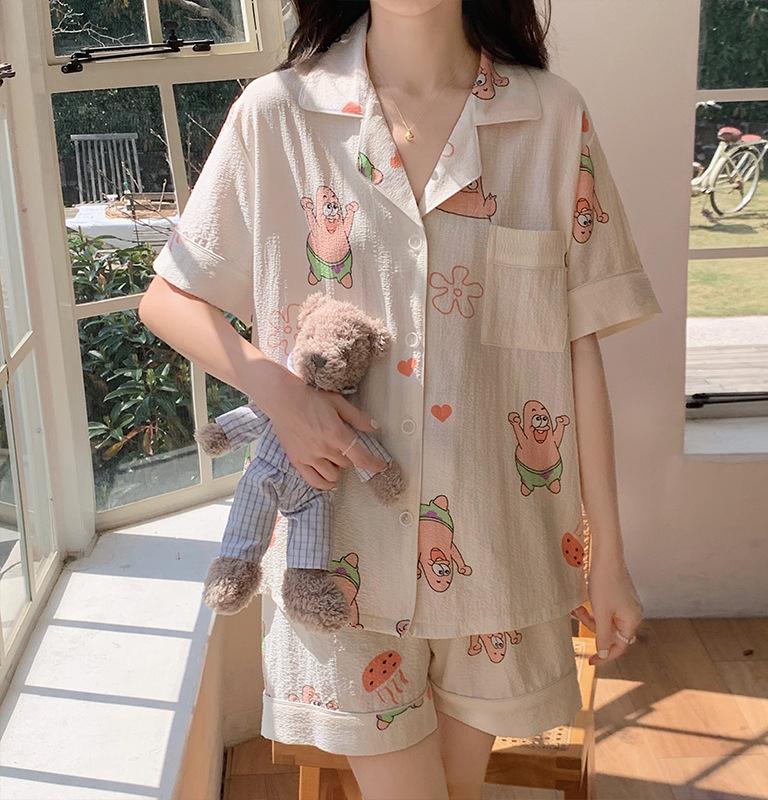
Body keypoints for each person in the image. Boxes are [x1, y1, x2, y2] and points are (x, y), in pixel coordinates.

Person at [139, 1, 662, 797]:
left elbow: (577, 349)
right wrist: (280, 394)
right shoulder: (279, 114)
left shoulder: (551, 117)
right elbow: (169, 297)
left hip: (502, 555)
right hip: (337, 556)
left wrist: (609, 557)